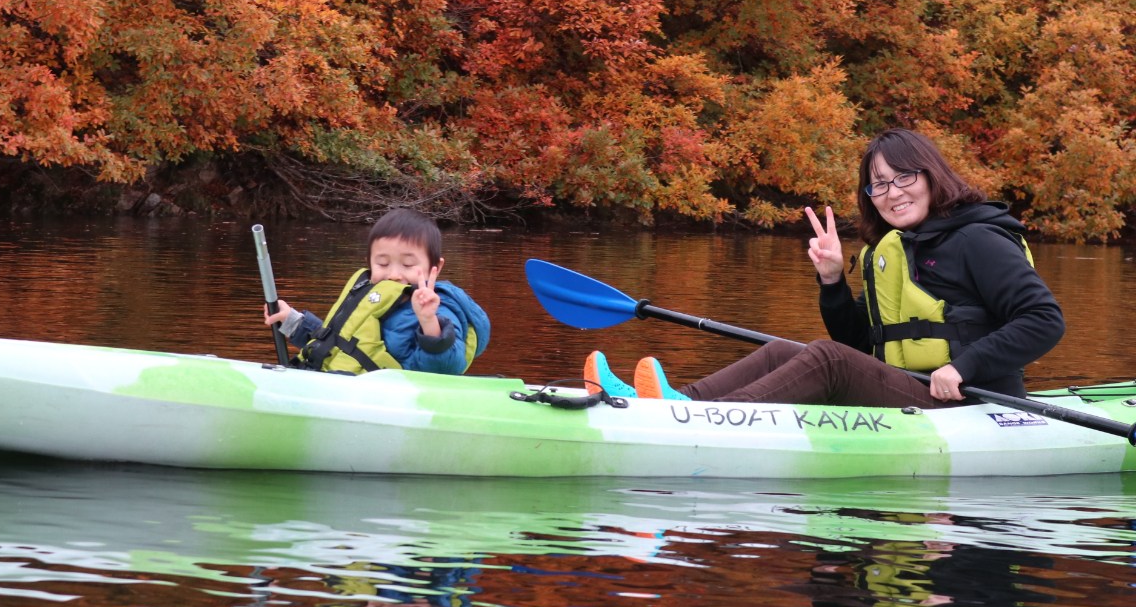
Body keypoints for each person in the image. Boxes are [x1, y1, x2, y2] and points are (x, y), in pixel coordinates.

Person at [584, 128, 1066, 407]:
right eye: (879, 186)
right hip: (914, 391)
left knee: (824, 358)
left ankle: (703, 421)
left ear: (931, 176)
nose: (893, 193)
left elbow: (1044, 319)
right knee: (781, 352)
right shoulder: (893, 249)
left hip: (973, 401)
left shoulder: (978, 237)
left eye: (903, 177)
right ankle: (672, 403)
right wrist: (832, 279)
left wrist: (964, 367)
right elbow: (859, 342)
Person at [264, 208, 490, 375]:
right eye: (382, 264)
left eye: (408, 265)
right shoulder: (375, 296)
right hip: (337, 386)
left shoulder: (438, 309)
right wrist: (294, 322)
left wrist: (428, 321)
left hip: (386, 403)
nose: (393, 274)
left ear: (435, 268)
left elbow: (445, 369)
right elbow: (344, 346)